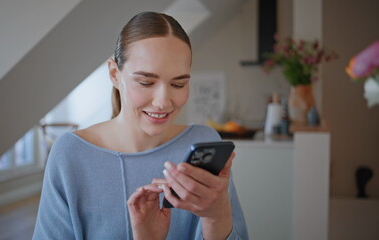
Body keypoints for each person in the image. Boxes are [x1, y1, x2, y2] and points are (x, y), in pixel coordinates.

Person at [33, 11, 248, 240]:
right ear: (115, 74)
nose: (163, 102)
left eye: (178, 84)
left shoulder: (203, 142)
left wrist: (216, 216)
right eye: (146, 82)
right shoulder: (71, 154)